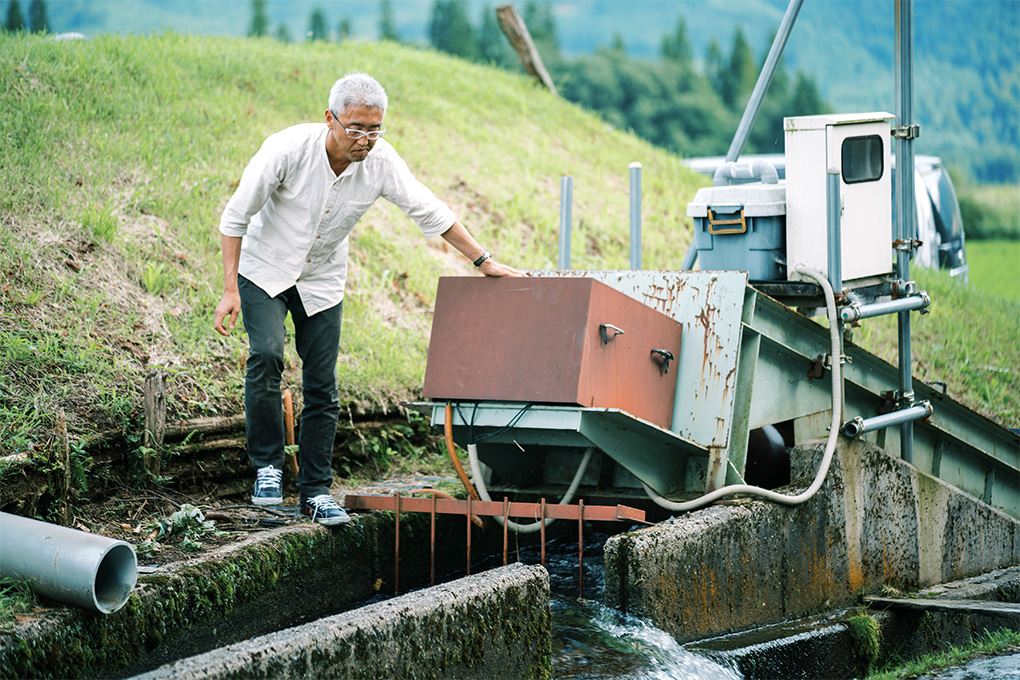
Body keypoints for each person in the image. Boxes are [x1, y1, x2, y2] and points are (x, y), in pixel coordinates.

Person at [213, 73, 521, 526]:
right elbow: (235, 216)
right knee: (266, 355)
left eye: (375, 129)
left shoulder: (382, 162)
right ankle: (267, 467)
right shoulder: (286, 150)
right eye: (356, 127)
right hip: (264, 268)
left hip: (321, 279)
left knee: (323, 384)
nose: (365, 139)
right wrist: (228, 289)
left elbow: (429, 210)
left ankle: (316, 491)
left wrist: (483, 261)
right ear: (330, 119)